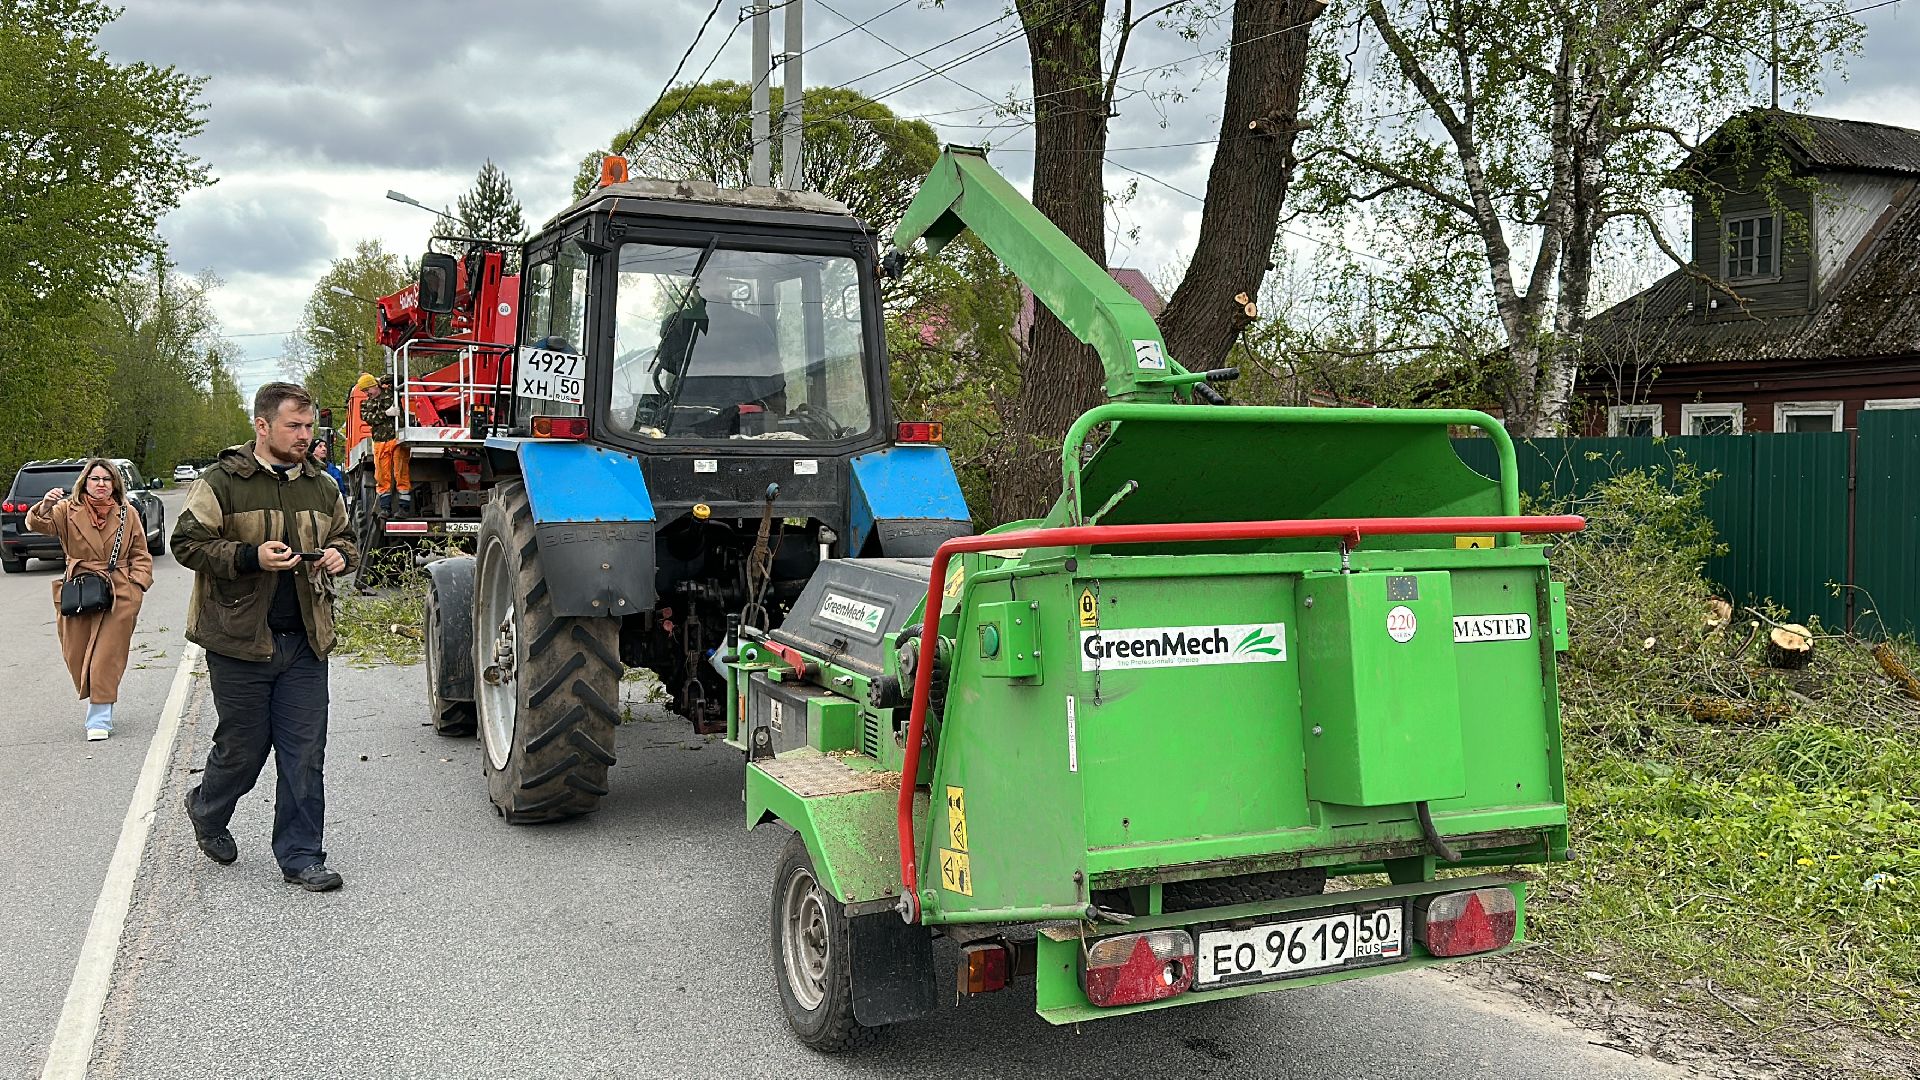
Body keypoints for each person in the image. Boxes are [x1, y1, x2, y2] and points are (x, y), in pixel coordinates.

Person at [173, 382, 359, 892]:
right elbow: (186, 543)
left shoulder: (322, 485)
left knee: (304, 753)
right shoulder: (223, 482)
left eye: (309, 426)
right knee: (243, 749)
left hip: (304, 641)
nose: (305, 436)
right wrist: (249, 557)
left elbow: (347, 537)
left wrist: (343, 555)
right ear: (262, 426)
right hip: (238, 641)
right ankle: (207, 809)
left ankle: (301, 856)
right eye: (293, 426)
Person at [26, 459, 155, 740]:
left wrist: (136, 587)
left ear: (114, 484)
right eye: (95, 479)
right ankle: (96, 702)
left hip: (118, 591)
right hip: (78, 588)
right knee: (76, 653)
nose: (100, 484)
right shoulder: (66, 510)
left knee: (107, 656)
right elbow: (37, 524)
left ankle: (99, 719)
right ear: (84, 482)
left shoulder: (126, 513)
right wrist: (45, 505)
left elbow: (140, 554)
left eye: (106, 480)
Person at [360, 372, 410, 514]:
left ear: (374, 385)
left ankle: (404, 508)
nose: (366, 394)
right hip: (380, 442)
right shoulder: (366, 404)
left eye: (367, 389)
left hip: (397, 438)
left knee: (401, 472)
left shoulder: (391, 392)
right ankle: (385, 509)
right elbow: (368, 418)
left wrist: (381, 379)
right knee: (382, 476)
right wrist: (386, 414)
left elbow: (400, 378)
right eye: (364, 391)